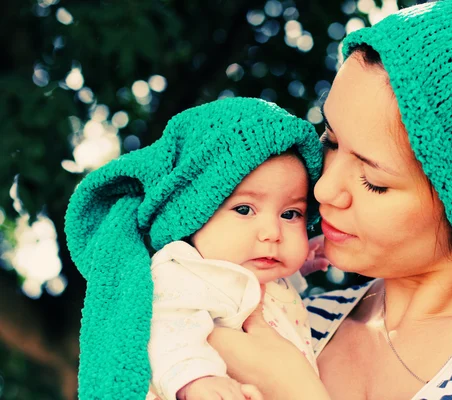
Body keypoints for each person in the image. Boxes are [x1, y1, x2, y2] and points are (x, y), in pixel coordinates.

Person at [206, 0, 452, 399]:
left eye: (373, 180)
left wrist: (295, 390)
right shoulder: (291, 320)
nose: (324, 190)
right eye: (331, 141)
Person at [64, 97, 323, 399]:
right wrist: (196, 380)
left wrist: (302, 261)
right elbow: (168, 329)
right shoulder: (183, 271)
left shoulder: (254, 270)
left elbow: (264, 292)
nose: (272, 233)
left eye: (290, 214)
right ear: (192, 217)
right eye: (244, 209)